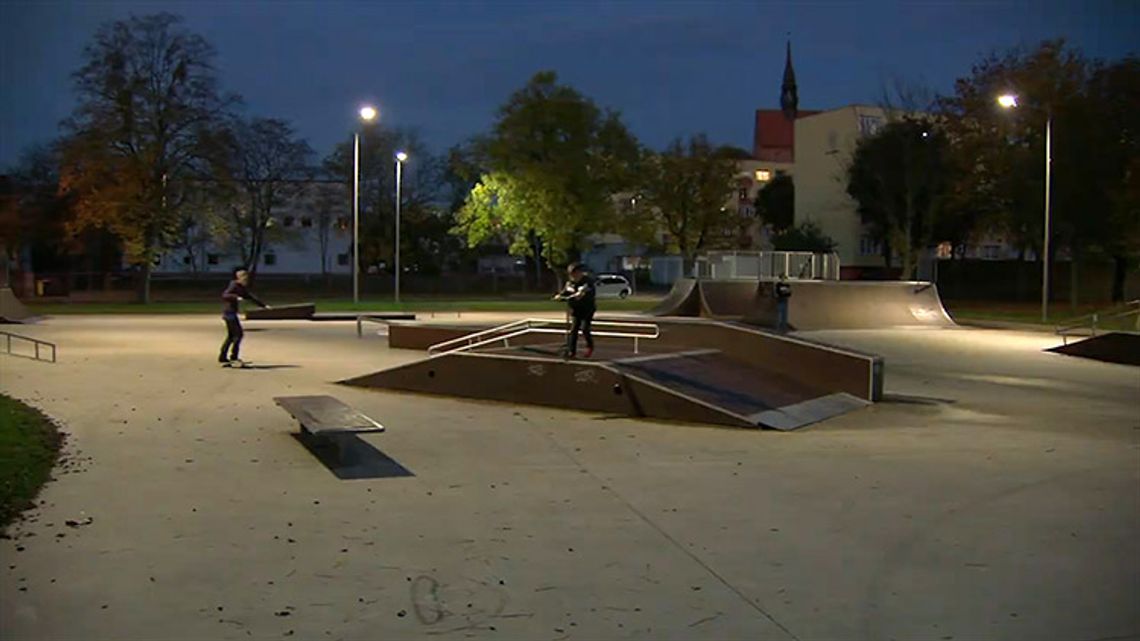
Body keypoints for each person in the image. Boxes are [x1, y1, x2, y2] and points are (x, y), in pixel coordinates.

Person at [219, 267, 268, 365]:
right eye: (245, 279)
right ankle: (234, 357)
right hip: (229, 313)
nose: (246, 281)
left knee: (231, 336)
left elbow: (250, 297)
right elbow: (225, 295)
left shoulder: (241, 288)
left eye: (247, 279)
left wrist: (263, 306)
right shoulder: (234, 285)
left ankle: (223, 357)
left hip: (231, 313)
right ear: (239, 278)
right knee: (238, 335)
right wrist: (236, 297)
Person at [553, 263, 596, 359]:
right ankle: (572, 351)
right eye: (571, 274)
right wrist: (559, 296)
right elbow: (564, 293)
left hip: (587, 309)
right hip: (576, 309)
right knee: (573, 330)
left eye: (575, 273)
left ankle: (590, 346)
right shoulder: (570, 283)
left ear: (580, 273)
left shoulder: (587, 282)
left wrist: (579, 295)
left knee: (585, 328)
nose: (573, 276)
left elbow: (585, 294)